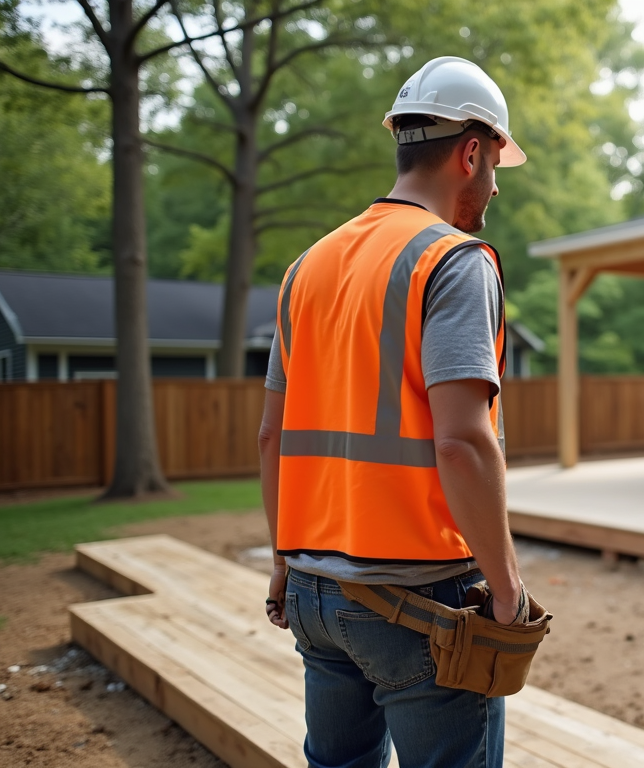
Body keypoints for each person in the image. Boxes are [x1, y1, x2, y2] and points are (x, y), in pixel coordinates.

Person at [257, 56, 527, 768]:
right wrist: (505, 588)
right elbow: (463, 444)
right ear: (472, 152)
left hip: (314, 592)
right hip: (419, 601)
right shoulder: (454, 261)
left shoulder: (305, 268)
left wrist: (284, 563)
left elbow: (270, 437)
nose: (495, 186)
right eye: (497, 165)